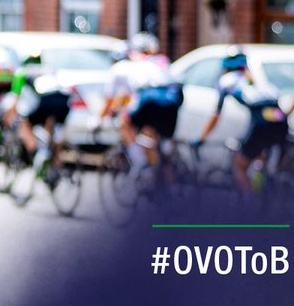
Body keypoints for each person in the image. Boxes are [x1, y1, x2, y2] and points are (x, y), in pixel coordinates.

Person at [193, 47, 289, 200]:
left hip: (260, 124)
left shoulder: (227, 81)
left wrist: (202, 138)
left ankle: (250, 206)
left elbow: (216, 115)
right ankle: (265, 193)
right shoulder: (257, 78)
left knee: (239, 165)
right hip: (280, 121)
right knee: (261, 158)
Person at [96, 32, 176, 178]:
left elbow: (112, 100)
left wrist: (99, 120)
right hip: (171, 101)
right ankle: (164, 174)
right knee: (151, 138)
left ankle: (140, 163)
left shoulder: (121, 68)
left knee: (125, 122)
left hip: (150, 101)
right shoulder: (158, 61)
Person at [4, 51, 71, 184]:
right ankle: (56, 165)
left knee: (25, 121)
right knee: (52, 130)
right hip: (64, 101)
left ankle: (34, 148)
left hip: (45, 100)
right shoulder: (49, 69)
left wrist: (8, 118)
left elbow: (15, 100)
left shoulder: (22, 72)